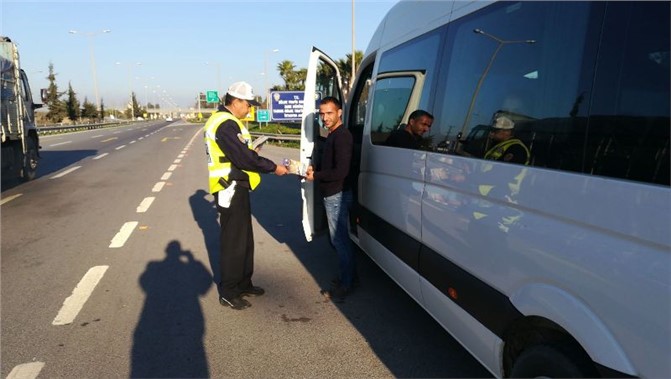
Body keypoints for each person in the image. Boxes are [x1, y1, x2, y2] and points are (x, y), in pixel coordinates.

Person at [203, 81, 288, 310]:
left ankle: (244, 283)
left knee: (245, 239)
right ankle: (229, 291)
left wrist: (253, 152)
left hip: (238, 185)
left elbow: (240, 154)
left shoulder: (229, 122)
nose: (249, 108)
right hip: (229, 187)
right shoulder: (225, 124)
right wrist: (273, 167)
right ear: (236, 101)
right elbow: (243, 159)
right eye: (247, 104)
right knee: (233, 242)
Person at [305, 96, 357, 302]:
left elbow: (341, 171)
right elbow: (330, 166)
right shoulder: (333, 135)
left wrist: (316, 176)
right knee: (338, 239)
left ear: (339, 113)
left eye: (329, 113)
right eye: (322, 113)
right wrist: (315, 170)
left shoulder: (342, 136)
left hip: (338, 194)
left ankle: (347, 283)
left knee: (340, 241)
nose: (325, 118)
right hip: (333, 194)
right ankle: (351, 277)